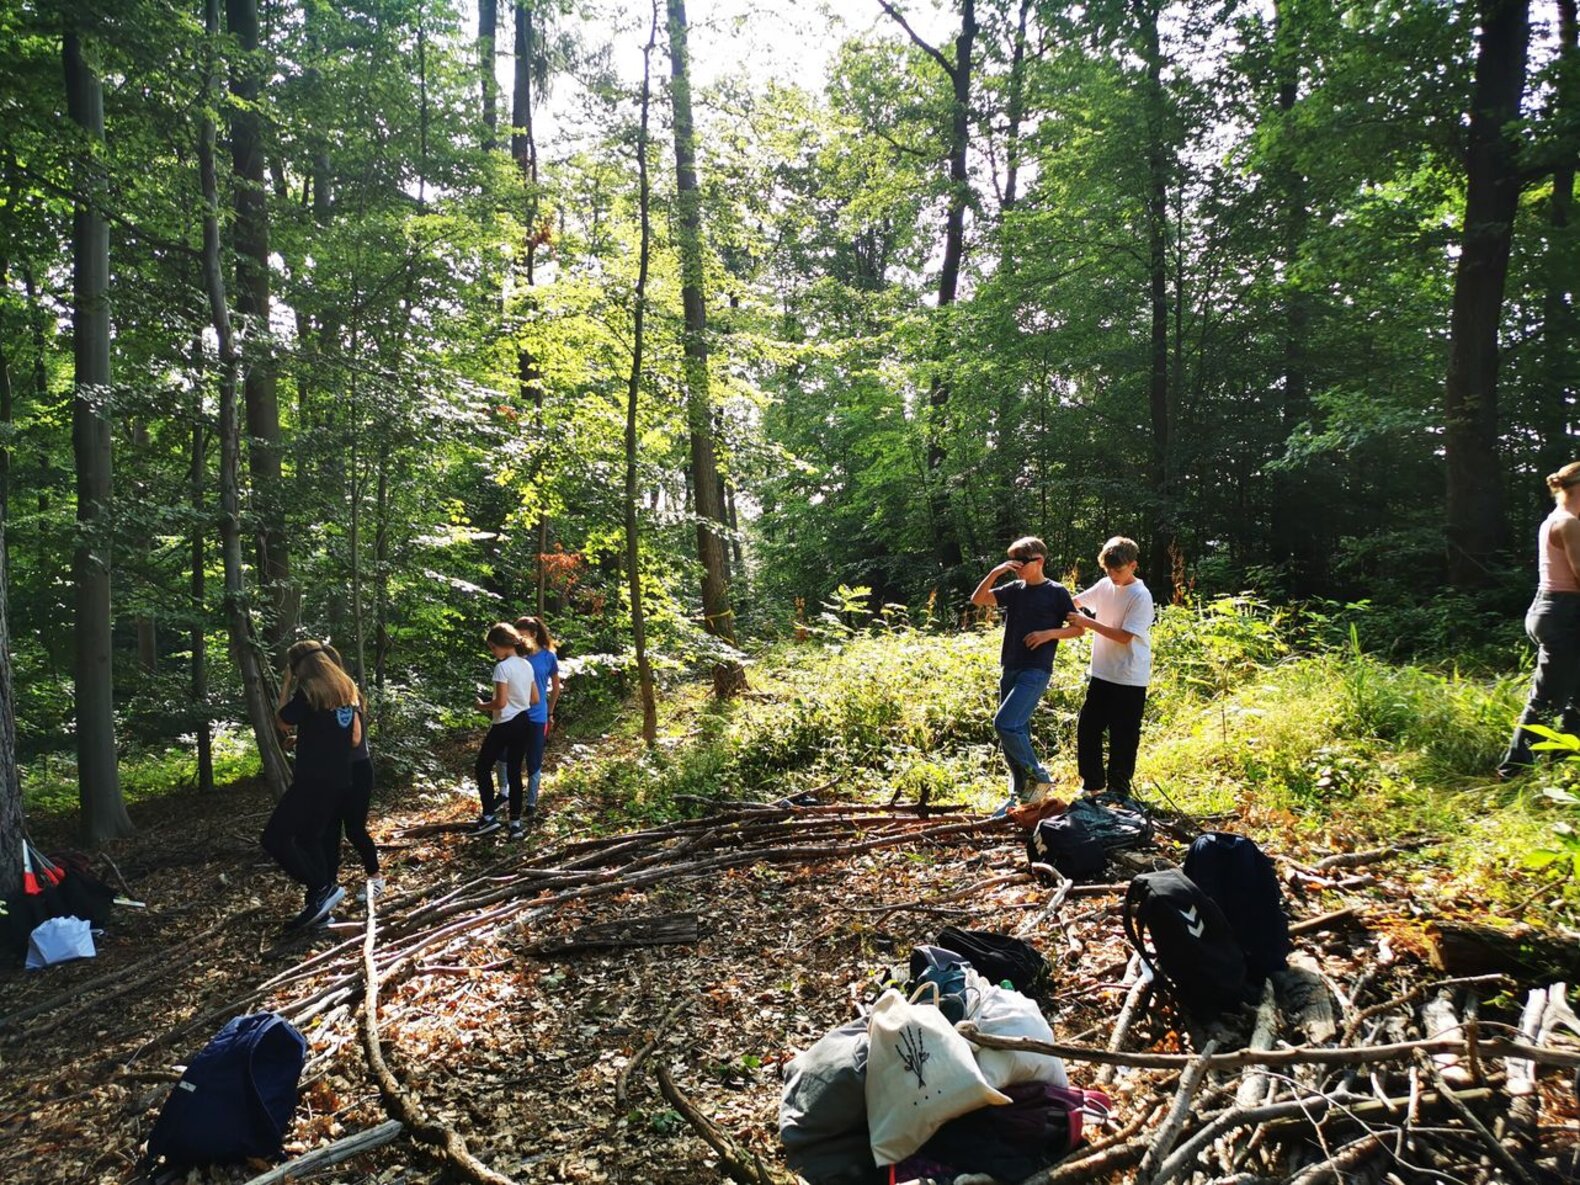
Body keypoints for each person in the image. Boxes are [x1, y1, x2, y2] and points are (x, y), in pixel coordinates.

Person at [970, 536, 1083, 811]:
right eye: (1015, 562)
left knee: (1005, 724)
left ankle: (1039, 778)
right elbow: (978, 600)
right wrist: (997, 572)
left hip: (1036, 670)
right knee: (1016, 730)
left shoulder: (1056, 592)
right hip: (1010, 666)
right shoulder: (1015, 589)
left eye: (1022, 562)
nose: (1018, 567)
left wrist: (1049, 634)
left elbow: (1078, 628)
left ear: (1040, 561)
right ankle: (1022, 796)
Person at [265, 643, 361, 929]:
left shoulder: (308, 691)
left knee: (274, 838)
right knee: (310, 839)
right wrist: (311, 739)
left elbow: (282, 721)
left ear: (298, 668)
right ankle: (320, 908)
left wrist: (285, 684)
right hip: (341, 779)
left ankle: (322, 889)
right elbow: (352, 739)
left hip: (312, 780)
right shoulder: (345, 688)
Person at [1499, 461, 1580, 778]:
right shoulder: (1570, 523)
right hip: (1565, 613)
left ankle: (1564, 763)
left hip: (1551, 609)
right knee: (1547, 701)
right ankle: (1513, 772)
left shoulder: (1555, 520)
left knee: (1575, 697)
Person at [291, 642, 383, 902]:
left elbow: (353, 738)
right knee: (328, 830)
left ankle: (375, 878)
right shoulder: (323, 695)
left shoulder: (345, 693)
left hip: (356, 769)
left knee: (354, 829)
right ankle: (329, 885)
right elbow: (328, 731)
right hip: (332, 773)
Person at [1068, 537, 1155, 800]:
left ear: (1133, 566)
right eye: (1108, 570)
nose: (1113, 576)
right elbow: (1076, 602)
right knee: (1088, 728)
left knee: (1123, 735)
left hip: (1129, 676)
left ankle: (1119, 790)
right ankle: (1093, 785)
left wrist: (1087, 622)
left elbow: (1124, 636)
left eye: (1118, 570)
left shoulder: (1141, 595)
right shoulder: (1105, 585)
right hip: (1102, 672)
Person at [472, 622, 540, 838]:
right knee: (514, 772)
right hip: (524, 722)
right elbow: (535, 698)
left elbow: (500, 703)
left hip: (504, 724)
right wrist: (517, 699)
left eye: (493, 648)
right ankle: (515, 824)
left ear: (501, 644)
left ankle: (490, 817)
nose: (493, 653)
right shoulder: (526, 665)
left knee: (482, 767)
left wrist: (482, 706)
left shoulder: (502, 667)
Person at [515, 615, 560, 818]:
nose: (520, 639)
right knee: (506, 758)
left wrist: (550, 711)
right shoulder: (513, 655)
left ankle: (531, 803)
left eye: (523, 635)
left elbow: (556, 687)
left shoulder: (548, 657)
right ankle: (506, 796)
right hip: (515, 715)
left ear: (533, 634)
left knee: (534, 760)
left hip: (537, 716)